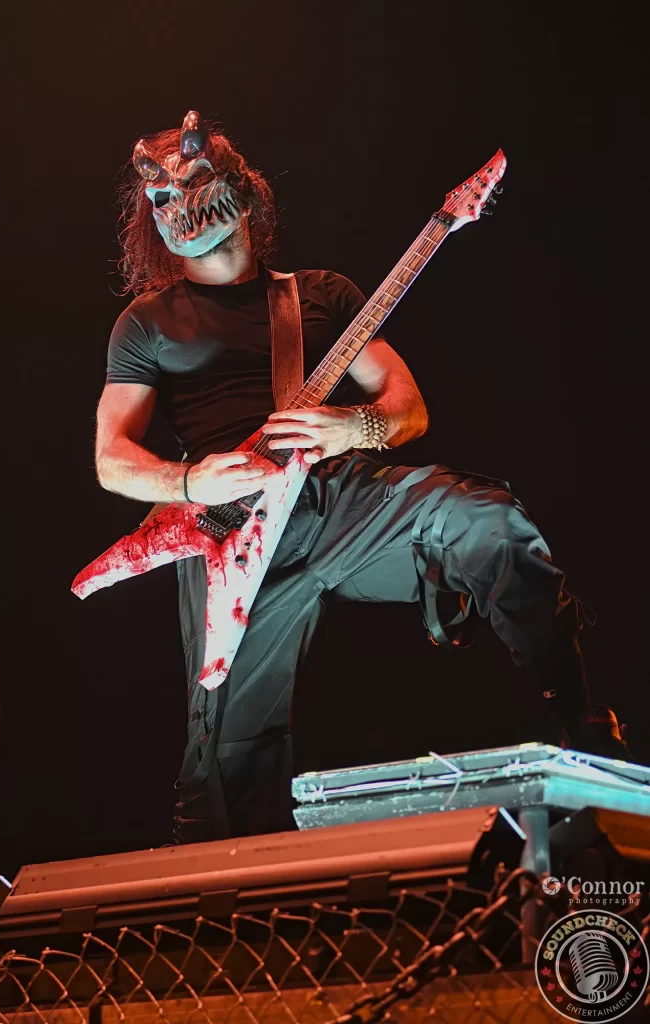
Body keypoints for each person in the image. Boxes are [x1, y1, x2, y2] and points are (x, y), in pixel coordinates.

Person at [94, 111, 629, 844]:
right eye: (161, 197)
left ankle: (580, 719)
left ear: (242, 192)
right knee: (225, 757)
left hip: (339, 499)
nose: (178, 206)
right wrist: (193, 482)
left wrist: (353, 426)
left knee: (486, 521)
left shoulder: (317, 295)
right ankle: (230, 896)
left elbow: (408, 409)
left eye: (194, 184)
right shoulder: (145, 324)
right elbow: (112, 459)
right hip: (232, 529)